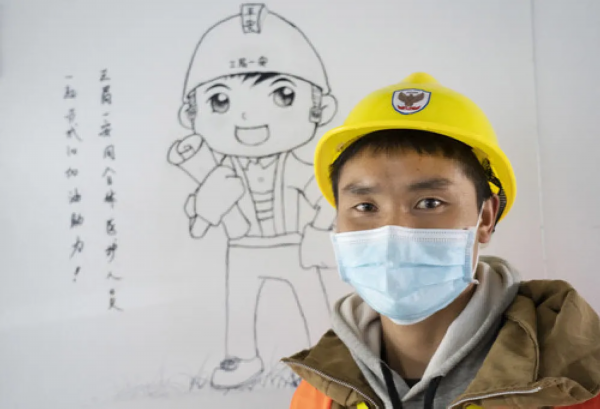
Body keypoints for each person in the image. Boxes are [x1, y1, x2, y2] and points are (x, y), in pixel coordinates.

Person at [282, 72, 600, 408]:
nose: (394, 231)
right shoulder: (319, 393)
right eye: (365, 207)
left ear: (486, 217)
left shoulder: (572, 380)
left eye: (430, 203)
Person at [167, 4, 337, 389]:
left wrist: (317, 233)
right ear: (190, 116)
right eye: (220, 101)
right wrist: (205, 206)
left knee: (312, 301)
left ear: (321, 108)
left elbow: (328, 197)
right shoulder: (214, 173)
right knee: (239, 304)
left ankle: (326, 357)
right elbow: (198, 219)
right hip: (243, 248)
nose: (249, 118)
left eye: (282, 94)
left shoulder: (298, 168)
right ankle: (241, 357)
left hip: (294, 244)